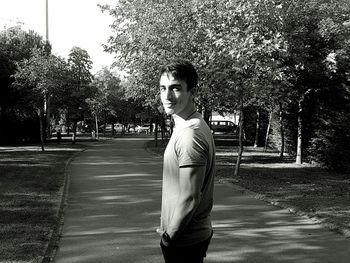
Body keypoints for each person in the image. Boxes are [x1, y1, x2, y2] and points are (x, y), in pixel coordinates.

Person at [156, 60, 216, 263]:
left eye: (175, 88)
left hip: (184, 241)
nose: (167, 96)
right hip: (187, 236)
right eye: (163, 88)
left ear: (192, 92)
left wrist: (168, 236)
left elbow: (190, 198)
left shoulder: (190, 134)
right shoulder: (187, 126)